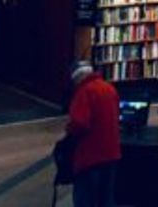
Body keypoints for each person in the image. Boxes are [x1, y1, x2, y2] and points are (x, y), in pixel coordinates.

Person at [64, 60, 122, 207]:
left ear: (78, 77)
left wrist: (69, 131)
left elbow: (79, 123)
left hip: (90, 155)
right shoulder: (109, 88)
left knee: (86, 198)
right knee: (106, 198)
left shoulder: (84, 92)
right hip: (111, 152)